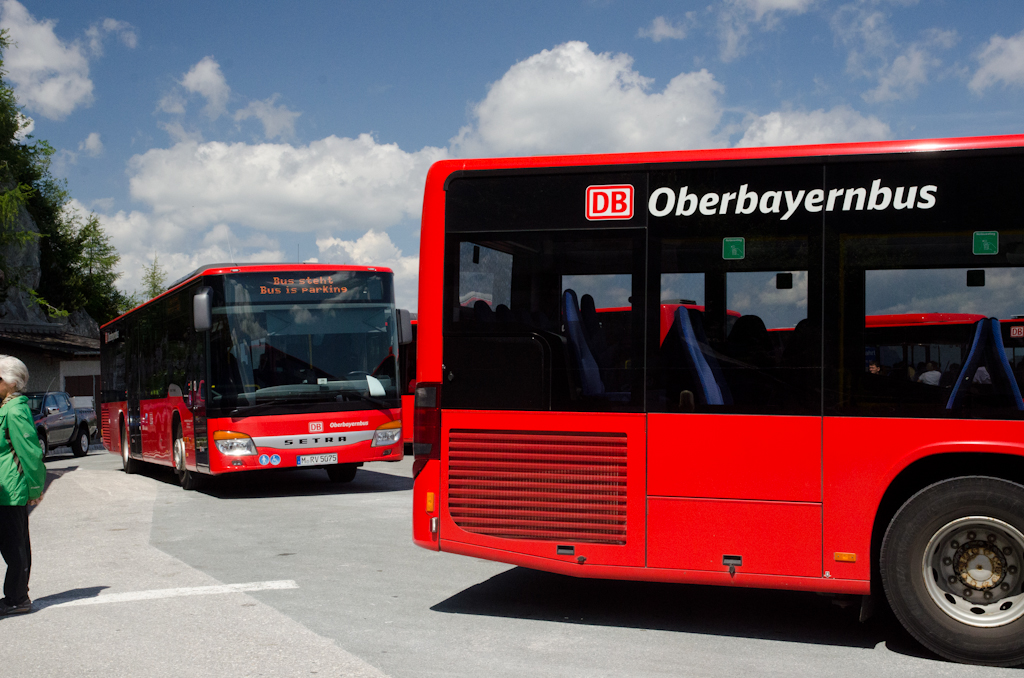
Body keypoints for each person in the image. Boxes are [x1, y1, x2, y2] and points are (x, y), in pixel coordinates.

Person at [0, 355, 45, 615]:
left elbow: (30, 453)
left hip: (12, 488)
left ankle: (17, 598)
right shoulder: (4, 407)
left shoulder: (15, 410)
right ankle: (15, 596)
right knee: (10, 543)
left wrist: (35, 489)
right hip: (3, 487)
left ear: (11, 382)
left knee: (15, 546)